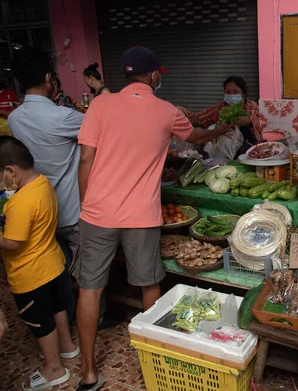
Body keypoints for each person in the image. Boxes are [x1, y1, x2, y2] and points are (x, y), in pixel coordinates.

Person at [75, 45, 232, 390]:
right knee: (149, 284)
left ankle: (88, 374)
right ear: (154, 75)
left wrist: (88, 207)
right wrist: (222, 129)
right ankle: (157, 358)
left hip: (97, 214)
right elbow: (198, 136)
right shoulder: (166, 111)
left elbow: (85, 161)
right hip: (140, 216)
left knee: (89, 289)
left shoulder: (99, 104)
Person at [8, 47, 120, 330]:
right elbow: (107, 115)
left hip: (40, 210)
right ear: (49, 78)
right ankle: (97, 319)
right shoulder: (63, 117)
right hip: (71, 208)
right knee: (87, 273)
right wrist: (99, 87)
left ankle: (67, 315)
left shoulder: (15, 119)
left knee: (59, 270)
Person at [0, 136, 79, 390]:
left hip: (30, 275)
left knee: (40, 320)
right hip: (54, 264)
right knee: (58, 308)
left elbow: (13, 243)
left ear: (10, 171)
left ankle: (54, 369)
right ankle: (67, 347)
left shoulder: (19, 202)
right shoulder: (43, 183)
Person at [181, 76, 262, 149]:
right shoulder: (220, 107)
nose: (231, 95)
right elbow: (199, 118)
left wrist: (227, 118)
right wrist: (186, 114)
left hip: (250, 147)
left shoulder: (250, 105)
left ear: (243, 94)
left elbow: (248, 120)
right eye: (228, 92)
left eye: (235, 92)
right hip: (225, 148)